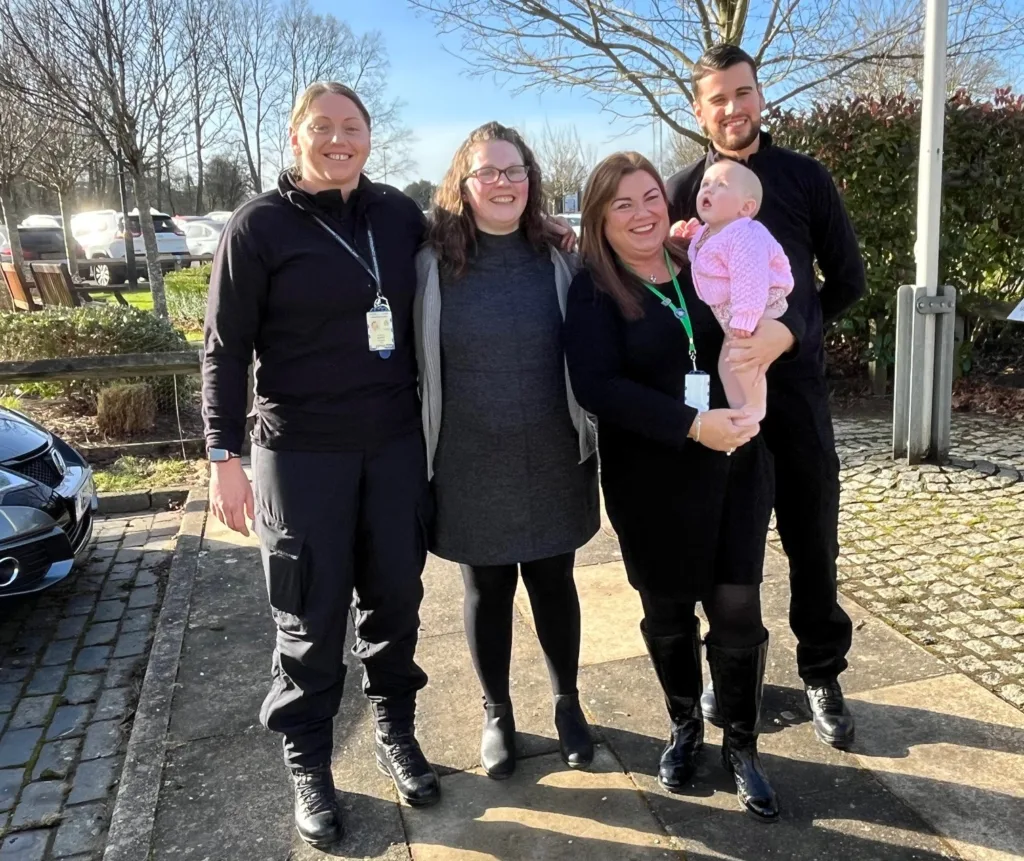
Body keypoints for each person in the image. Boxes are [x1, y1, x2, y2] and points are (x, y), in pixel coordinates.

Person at [202, 81, 441, 849]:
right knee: (308, 616)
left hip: (396, 444)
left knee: (397, 598)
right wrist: (222, 457)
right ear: (295, 136)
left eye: (352, 127)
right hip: (299, 454)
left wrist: (554, 236)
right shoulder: (258, 227)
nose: (339, 140)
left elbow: (466, 251)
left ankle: (395, 732)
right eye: (323, 127)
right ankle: (309, 761)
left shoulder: (398, 215)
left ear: (370, 136)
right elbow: (224, 348)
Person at [564, 151, 792, 821]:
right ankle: (685, 726)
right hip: (653, 476)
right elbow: (597, 386)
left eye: (650, 197)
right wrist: (693, 426)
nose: (642, 213)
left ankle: (743, 747)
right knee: (667, 611)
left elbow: (780, 303)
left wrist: (781, 335)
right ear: (600, 218)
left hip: (737, 464)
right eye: (622, 203)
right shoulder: (593, 289)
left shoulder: (708, 256)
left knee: (737, 608)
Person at [666, 44, 865, 750]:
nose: (733, 108)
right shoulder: (683, 189)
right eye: (718, 98)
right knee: (726, 543)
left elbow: (845, 280)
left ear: (760, 95)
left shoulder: (804, 178)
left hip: (798, 393)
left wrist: (790, 333)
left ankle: (821, 669)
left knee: (813, 533)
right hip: (723, 400)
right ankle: (727, 666)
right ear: (700, 110)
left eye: (743, 92)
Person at [414, 122, 600, 780]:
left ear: (532, 182)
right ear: (461, 185)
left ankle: (568, 704)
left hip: (554, 451)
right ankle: (497, 713)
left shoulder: (560, 258)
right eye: (486, 171)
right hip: (467, 459)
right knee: (486, 588)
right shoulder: (430, 262)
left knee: (555, 582)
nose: (501, 182)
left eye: (513, 170)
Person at [672, 159, 793, 425]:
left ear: (746, 208)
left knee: (744, 362)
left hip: (757, 307)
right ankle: (741, 409)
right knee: (728, 366)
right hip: (733, 310)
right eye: (705, 184)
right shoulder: (712, 231)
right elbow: (704, 255)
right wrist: (687, 235)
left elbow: (750, 279)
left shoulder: (744, 235)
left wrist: (744, 319)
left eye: (721, 185)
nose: (708, 190)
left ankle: (753, 409)